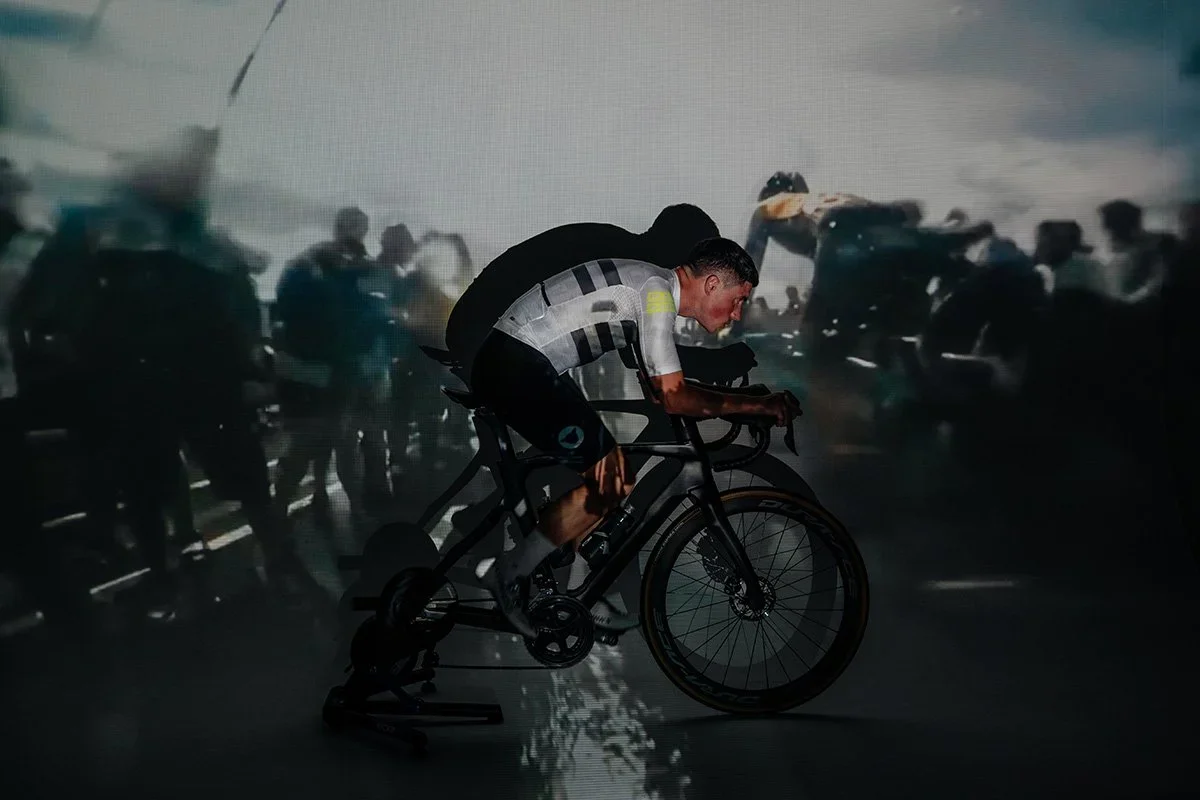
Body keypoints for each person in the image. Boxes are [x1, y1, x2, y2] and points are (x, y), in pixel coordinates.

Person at [472, 237, 801, 637]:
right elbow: (674, 396)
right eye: (739, 299)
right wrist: (757, 407)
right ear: (712, 283)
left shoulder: (652, 287)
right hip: (515, 364)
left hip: (521, 361)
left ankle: (578, 591)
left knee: (611, 476)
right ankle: (508, 574)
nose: (737, 312)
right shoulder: (656, 294)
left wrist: (743, 399)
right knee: (612, 476)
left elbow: (658, 387)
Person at [444, 204, 719, 379]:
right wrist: (717, 362)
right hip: (484, 337)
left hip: (480, 329)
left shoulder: (618, 247)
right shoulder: (628, 271)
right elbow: (645, 354)